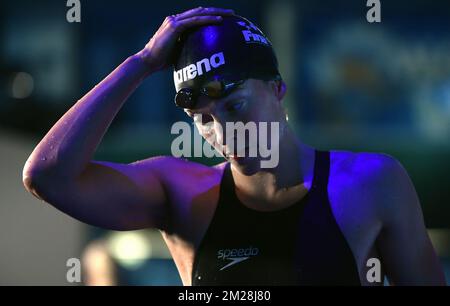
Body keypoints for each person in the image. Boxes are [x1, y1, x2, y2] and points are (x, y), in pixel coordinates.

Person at [22, 7, 445, 286]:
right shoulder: (182, 194)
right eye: (202, 118)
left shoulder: (371, 184)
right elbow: (46, 176)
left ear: (278, 89)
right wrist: (142, 63)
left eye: (235, 106)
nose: (223, 131)